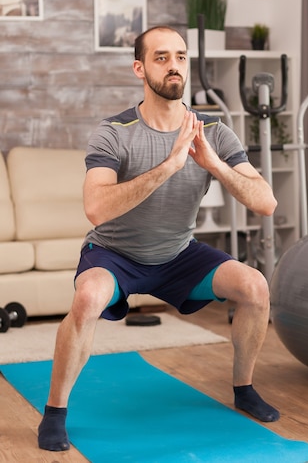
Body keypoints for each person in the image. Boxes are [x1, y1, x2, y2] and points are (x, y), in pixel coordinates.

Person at [38, 25, 280, 452]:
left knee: (255, 287)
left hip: (178, 254)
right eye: (162, 57)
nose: (174, 66)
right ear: (139, 68)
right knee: (87, 299)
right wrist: (169, 166)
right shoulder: (114, 131)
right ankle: (55, 412)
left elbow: (266, 203)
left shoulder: (215, 132)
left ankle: (244, 388)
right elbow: (96, 208)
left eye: (181, 57)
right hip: (114, 255)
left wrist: (216, 167)